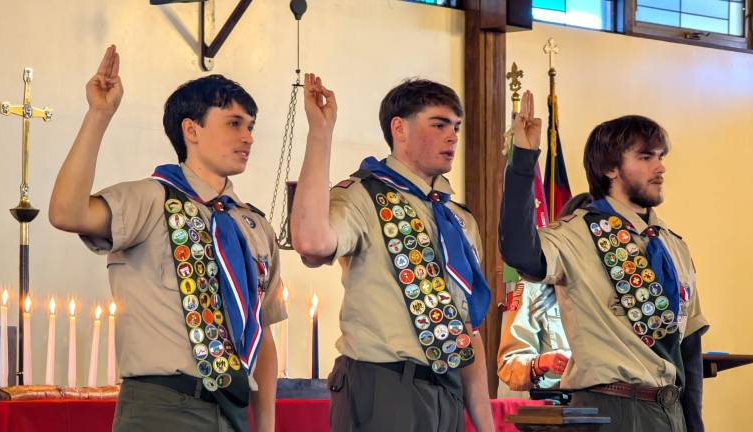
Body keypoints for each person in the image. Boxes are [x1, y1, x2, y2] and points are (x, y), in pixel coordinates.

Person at [48, 45, 285, 432]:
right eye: (233, 123)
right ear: (191, 129)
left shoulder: (252, 226)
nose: (248, 137)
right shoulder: (151, 198)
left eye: (251, 126)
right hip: (163, 406)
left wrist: (267, 426)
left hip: (234, 409)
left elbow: (264, 331)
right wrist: (99, 115)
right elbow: (66, 213)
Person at [290, 75, 494, 431]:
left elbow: (468, 327)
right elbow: (311, 242)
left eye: (456, 127)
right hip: (383, 383)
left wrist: (485, 424)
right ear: (399, 128)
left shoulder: (458, 219)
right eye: (439, 124)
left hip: (448, 388)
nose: (453, 137)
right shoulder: (362, 195)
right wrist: (320, 134)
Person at [499, 91, 709, 432]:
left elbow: (689, 345)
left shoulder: (672, 245)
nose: (659, 167)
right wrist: (523, 161)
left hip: (669, 411)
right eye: (645, 157)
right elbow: (520, 252)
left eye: (660, 156)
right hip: (609, 407)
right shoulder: (576, 234)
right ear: (610, 168)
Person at [497, 194, 589, 398]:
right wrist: (543, 362)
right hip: (559, 405)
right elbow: (508, 365)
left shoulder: (619, 289)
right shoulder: (535, 286)